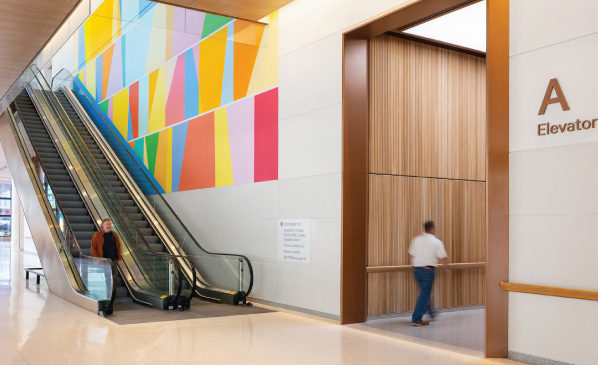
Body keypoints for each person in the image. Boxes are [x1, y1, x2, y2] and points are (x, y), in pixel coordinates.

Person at [408, 220, 450, 326]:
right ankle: (416, 318)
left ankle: (431, 312)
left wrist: (415, 265)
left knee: (424, 293)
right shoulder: (436, 242)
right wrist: (447, 269)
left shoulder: (416, 239)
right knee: (424, 294)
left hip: (417, 270)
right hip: (428, 270)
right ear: (432, 229)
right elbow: (443, 258)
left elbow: (411, 255)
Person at [91, 219, 122, 292]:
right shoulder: (97, 235)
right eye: (106, 224)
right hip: (103, 261)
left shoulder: (114, 235)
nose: (108, 226)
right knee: (106, 278)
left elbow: (118, 246)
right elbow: (93, 247)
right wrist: (96, 258)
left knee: (114, 278)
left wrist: (119, 258)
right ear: (102, 225)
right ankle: (107, 293)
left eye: (109, 224)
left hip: (113, 260)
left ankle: (112, 293)